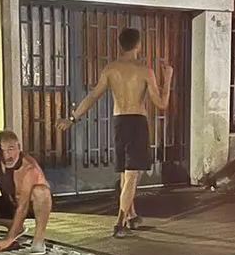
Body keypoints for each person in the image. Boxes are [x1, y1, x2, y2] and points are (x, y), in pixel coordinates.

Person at [55, 28, 173, 238]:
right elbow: (162, 104)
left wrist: (72, 119)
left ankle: (132, 216)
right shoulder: (145, 70)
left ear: (120, 45)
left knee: (125, 174)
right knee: (132, 176)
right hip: (137, 121)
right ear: (138, 45)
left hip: (119, 121)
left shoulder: (111, 69)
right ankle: (120, 223)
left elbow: (92, 96)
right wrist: (169, 78)